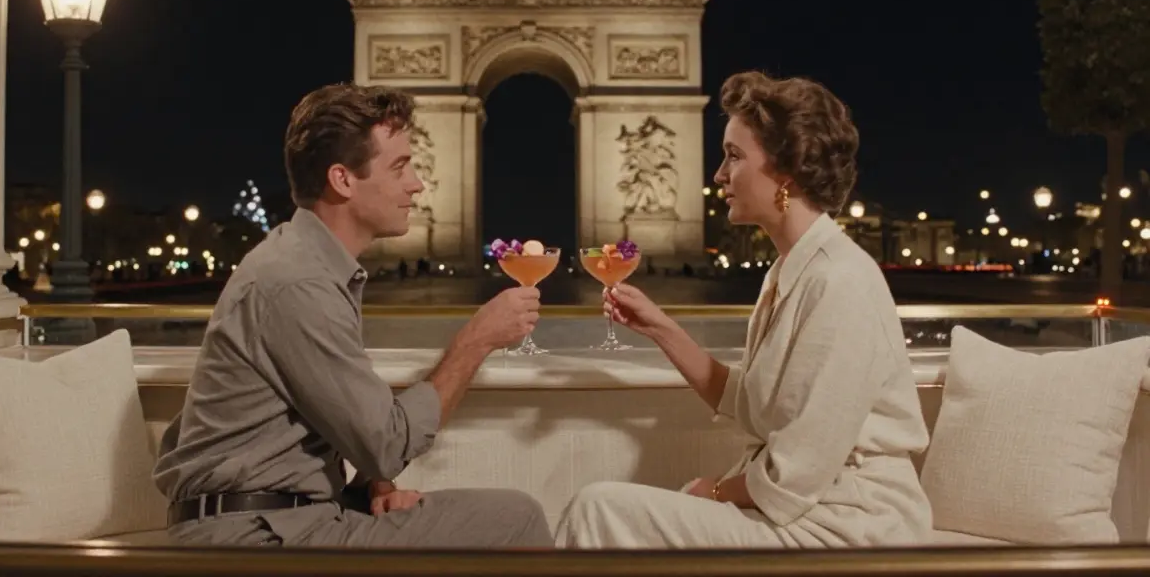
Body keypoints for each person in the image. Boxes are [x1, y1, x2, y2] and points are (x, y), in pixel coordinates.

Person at [154, 83, 553, 548]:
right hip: (254, 537)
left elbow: (342, 424)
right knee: (516, 519)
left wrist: (373, 483)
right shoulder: (299, 282)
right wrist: (476, 340)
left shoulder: (300, 263)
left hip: (269, 517)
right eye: (399, 166)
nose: (417, 183)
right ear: (342, 180)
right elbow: (388, 444)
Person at [555, 71, 932, 549]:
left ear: (787, 171)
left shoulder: (840, 282)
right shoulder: (791, 272)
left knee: (598, 508)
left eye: (733, 156)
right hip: (812, 508)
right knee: (608, 509)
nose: (718, 174)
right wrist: (662, 329)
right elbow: (752, 405)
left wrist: (713, 490)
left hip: (852, 524)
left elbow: (795, 474)